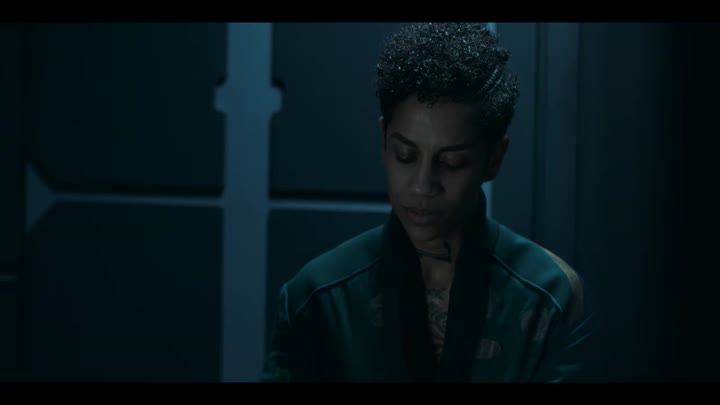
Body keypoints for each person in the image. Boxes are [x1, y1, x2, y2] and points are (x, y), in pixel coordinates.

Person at [261, 22, 593, 382]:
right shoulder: (316, 298)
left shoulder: (551, 296)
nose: (422, 186)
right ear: (383, 140)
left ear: (494, 159)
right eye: (405, 155)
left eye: (451, 163)